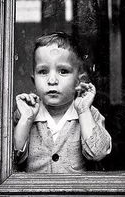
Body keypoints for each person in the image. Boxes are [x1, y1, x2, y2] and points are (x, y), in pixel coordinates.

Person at [14, 32, 112, 173]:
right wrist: (26, 119)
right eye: (43, 72)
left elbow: (98, 153)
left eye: (63, 71)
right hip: (33, 194)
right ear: (33, 80)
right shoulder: (25, 113)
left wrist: (84, 111)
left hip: (77, 194)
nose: (52, 80)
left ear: (79, 80)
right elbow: (12, 157)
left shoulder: (89, 113)